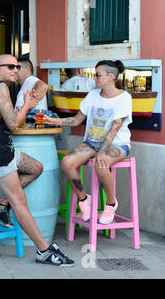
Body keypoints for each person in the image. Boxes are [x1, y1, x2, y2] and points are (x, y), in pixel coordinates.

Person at [0, 54, 75, 267]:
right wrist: (28, 105)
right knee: (20, 201)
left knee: (36, 168)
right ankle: (44, 250)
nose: (15, 70)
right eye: (10, 66)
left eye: (17, 67)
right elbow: (12, 124)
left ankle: (0, 203)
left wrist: (24, 105)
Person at [44, 60, 131, 225]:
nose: (94, 77)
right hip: (91, 143)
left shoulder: (124, 98)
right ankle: (84, 199)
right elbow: (77, 120)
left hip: (117, 144)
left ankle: (111, 203)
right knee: (67, 163)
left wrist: (102, 151)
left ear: (111, 76)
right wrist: (52, 121)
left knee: (101, 164)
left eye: (98, 74)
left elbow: (115, 128)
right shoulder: (92, 95)